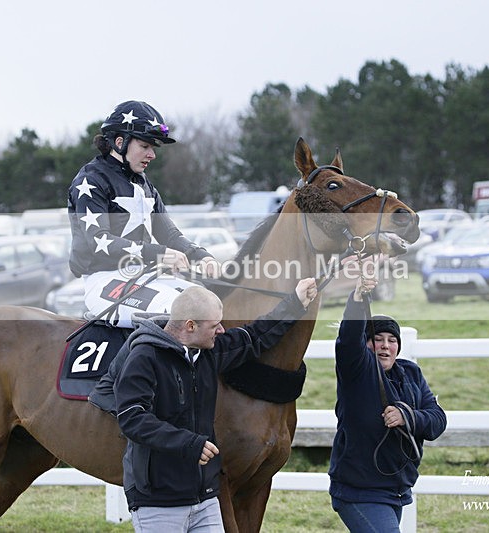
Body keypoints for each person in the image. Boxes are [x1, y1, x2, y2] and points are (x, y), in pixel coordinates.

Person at [114, 277, 318, 533]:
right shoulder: (143, 359)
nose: (221, 330)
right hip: (158, 502)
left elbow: (254, 336)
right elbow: (133, 419)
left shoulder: (210, 352)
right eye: (214, 325)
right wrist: (190, 444)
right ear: (190, 325)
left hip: (205, 498)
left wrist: (295, 302)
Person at [67, 100, 220, 327]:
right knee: (177, 314)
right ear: (120, 142)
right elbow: (99, 241)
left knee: (210, 303)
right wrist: (159, 253)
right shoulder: (90, 181)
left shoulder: (143, 183)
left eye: (153, 148)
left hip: (145, 276)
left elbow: (169, 235)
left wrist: (202, 256)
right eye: (145, 146)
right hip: (105, 280)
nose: (152, 155)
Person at [328, 276, 446, 532]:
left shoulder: (411, 373)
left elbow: (437, 420)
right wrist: (358, 300)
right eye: (377, 338)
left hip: (398, 488)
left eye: (391, 340)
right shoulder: (358, 369)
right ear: (366, 344)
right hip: (359, 491)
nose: (385, 345)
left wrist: (407, 416)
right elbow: (348, 340)